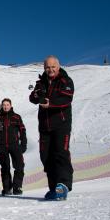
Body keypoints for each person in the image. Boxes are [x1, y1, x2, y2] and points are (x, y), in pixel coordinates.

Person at [29, 55, 74, 200]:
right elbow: (32, 98)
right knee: (46, 156)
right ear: (44, 68)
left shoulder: (65, 80)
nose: (50, 69)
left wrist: (51, 103)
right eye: (48, 67)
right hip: (45, 126)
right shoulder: (40, 82)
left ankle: (64, 185)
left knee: (60, 153)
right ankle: (54, 188)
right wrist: (36, 95)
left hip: (61, 124)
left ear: (58, 66)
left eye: (53, 66)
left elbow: (67, 98)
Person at [0, 98, 27, 196]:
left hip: (14, 145)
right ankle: (7, 188)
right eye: (4, 105)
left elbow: (22, 131)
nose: (5, 106)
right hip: (2, 145)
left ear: (11, 105)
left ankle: (17, 187)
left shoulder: (16, 117)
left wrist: (23, 144)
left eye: (7, 104)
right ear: (2, 106)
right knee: (5, 167)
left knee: (19, 166)